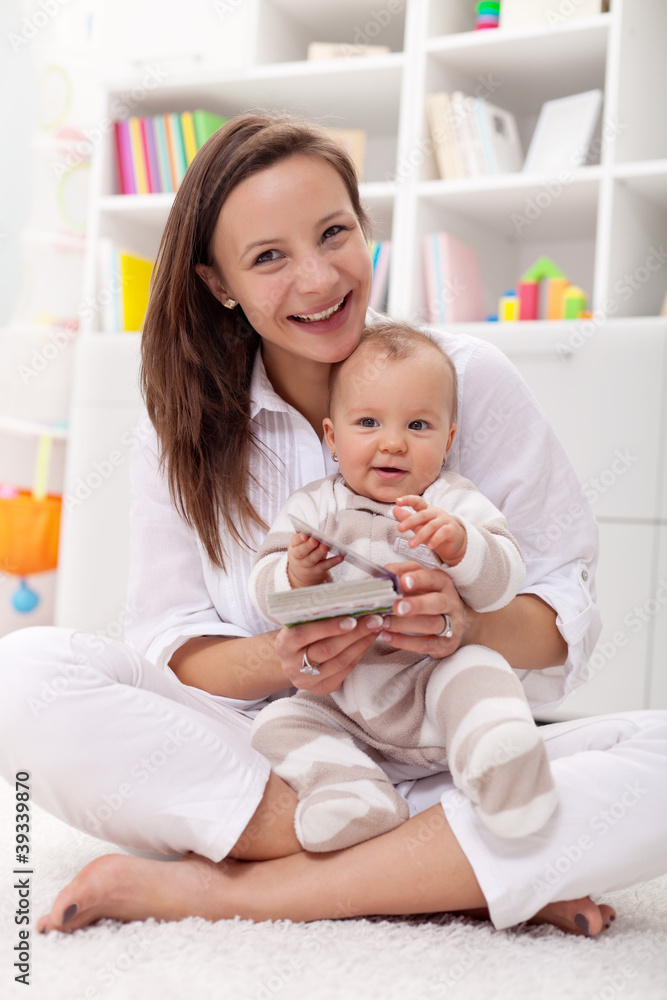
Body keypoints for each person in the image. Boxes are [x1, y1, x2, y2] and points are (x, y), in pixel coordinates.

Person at [0, 112, 665, 938]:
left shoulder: (463, 379)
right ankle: (434, 869)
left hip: (450, 743)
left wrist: (465, 625)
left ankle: (228, 892)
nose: (318, 280)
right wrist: (282, 656)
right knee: (21, 676)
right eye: (269, 257)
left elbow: (565, 603)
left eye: (333, 233)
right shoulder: (184, 424)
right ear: (219, 284)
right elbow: (170, 646)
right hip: (279, 762)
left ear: (364, 229)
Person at [249, 321, 558, 847]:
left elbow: (503, 580)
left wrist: (463, 547)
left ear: (448, 440)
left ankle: (502, 766)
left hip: (433, 687)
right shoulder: (314, 506)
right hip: (345, 702)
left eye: (418, 426)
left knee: (478, 667)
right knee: (275, 721)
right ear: (332, 436)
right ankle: (354, 794)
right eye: (368, 422)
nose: (393, 444)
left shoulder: (453, 501)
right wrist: (297, 575)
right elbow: (268, 596)